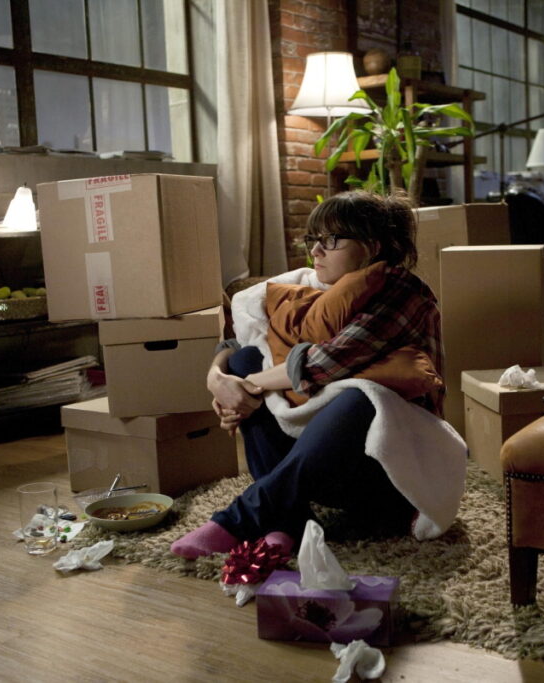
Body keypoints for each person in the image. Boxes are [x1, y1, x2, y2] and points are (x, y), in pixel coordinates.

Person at [170, 191, 466, 560]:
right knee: (246, 359)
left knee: (364, 396)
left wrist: (246, 389)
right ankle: (286, 521)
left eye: (332, 240)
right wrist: (218, 380)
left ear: (372, 247)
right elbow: (243, 343)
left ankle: (243, 515)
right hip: (324, 466)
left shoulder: (403, 291)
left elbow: (326, 363)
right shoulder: (316, 285)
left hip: (388, 471)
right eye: (314, 239)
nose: (316, 251)